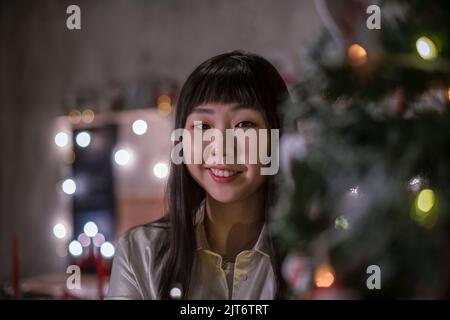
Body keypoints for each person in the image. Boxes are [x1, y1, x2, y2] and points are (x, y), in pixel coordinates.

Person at [106, 50, 290, 299]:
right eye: (203, 126)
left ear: (278, 137)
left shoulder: (316, 256)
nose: (221, 147)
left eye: (244, 124)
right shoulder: (139, 253)